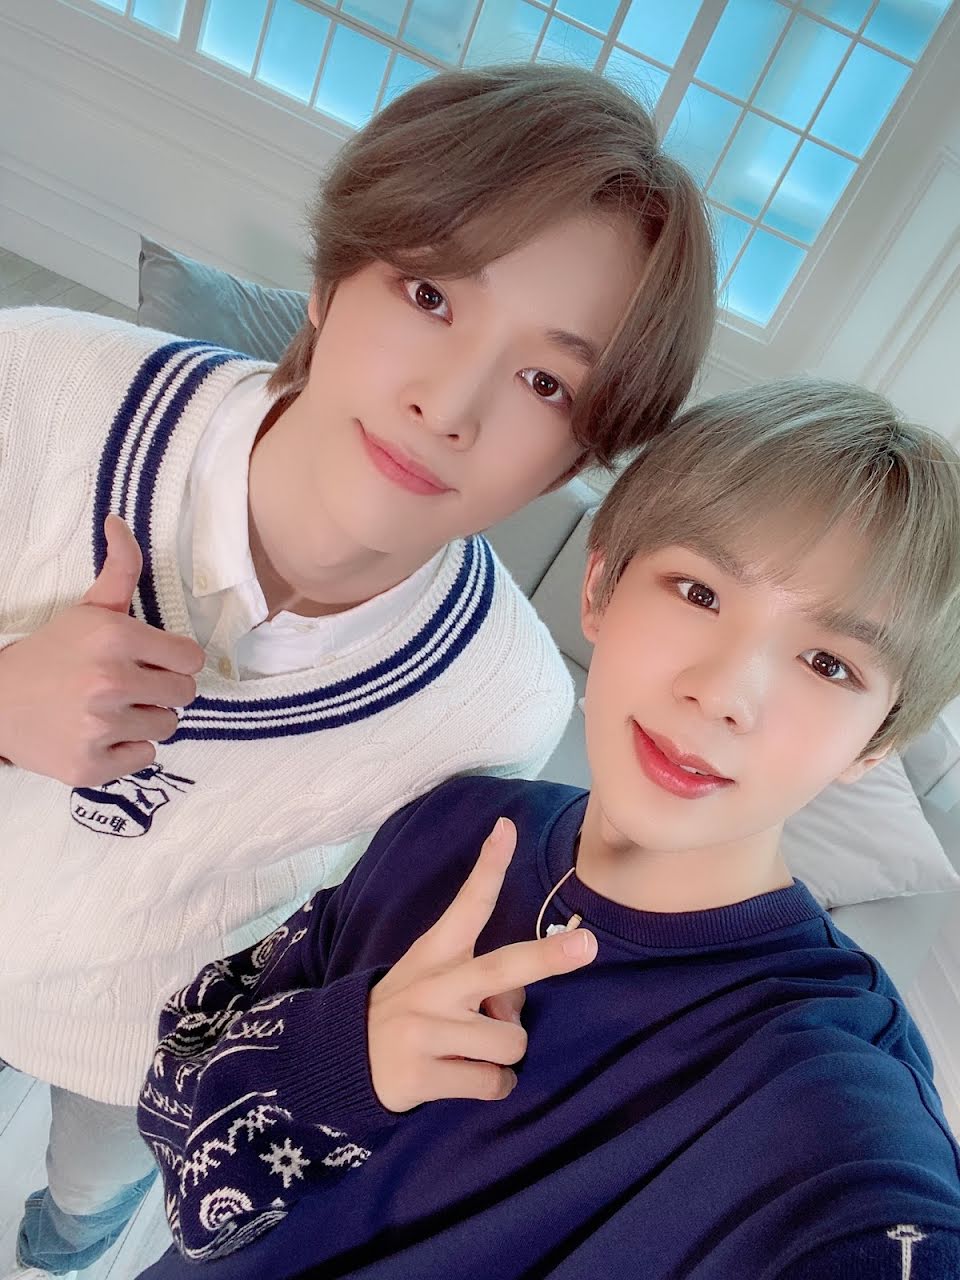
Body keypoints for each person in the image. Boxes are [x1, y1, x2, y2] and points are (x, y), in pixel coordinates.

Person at [0, 63, 715, 1279]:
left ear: (575, 459)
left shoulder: (499, 704)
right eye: (430, 294)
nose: (450, 403)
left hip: (126, 1060)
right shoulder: (37, 383)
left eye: (548, 381)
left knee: (79, 1206)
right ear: (333, 280)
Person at [138, 380, 960, 1279]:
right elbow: (174, 1095)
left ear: (875, 742)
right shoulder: (455, 821)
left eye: (827, 662)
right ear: (600, 586)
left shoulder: (824, 1097)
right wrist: (342, 1061)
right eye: (699, 590)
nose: (723, 693)